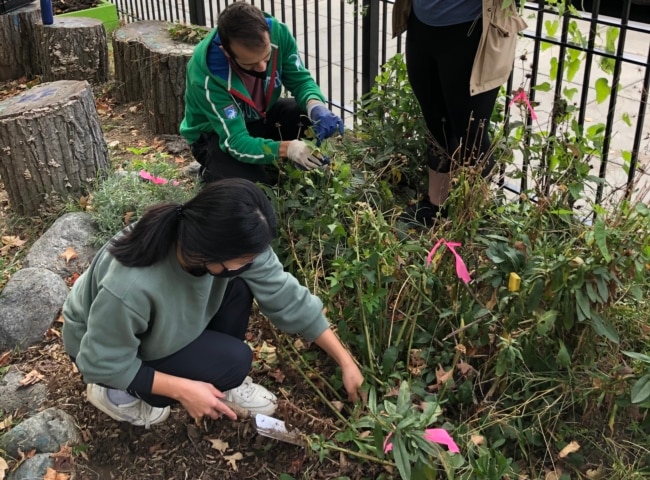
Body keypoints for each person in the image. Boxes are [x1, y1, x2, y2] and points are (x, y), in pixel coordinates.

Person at [62, 179, 363, 428]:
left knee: (240, 283)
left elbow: (288, 297)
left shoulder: (217, 244)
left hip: (162, 325)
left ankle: (212, 379)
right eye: (244, 259)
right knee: (234, 361)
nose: (253, 262)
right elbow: (98, 360)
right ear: (211, 250)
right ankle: (115, 393)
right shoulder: (132, 286)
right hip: (97, 345)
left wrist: (345, 361)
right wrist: (184, 390)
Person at [393, 0, 527, 225]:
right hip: (422, 25)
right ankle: (436, 208)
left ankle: (473, 219)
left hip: (472, 30)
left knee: (472, 133)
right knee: (436, 122)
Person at [180, 1, 344, 185]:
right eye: (249, 64)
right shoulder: (207, 75)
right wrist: (287, 149)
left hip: (261, 117)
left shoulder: (278, 33)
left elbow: (300, 80)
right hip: (216, 135)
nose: (262, 67)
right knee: (252, 189)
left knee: (304, 116)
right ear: (226, 52)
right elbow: (235, 141)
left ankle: (268, 159)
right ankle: (211, 168)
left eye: (266, 57)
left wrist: (315, 105)